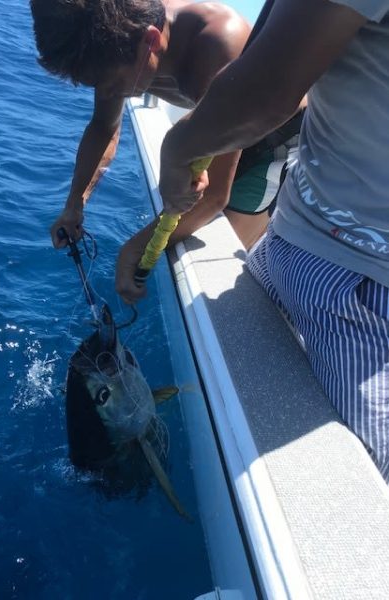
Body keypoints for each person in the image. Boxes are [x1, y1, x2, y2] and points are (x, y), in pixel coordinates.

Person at [117, 0, 389, 483]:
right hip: (293, 241)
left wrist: (180, 146)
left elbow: (264, 93)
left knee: (361, 481)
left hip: (362, 286)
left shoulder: (213, 41)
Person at [30, 0, 303, 253]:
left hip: (271, 142)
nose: (108, 93)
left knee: (227, 246)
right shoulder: (122, 36)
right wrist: (75, 202)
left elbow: (215, 195)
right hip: (221, 126)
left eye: (112, 85)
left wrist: (133, 250)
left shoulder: (219, 46)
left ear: (151, 41)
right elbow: (103, 125)